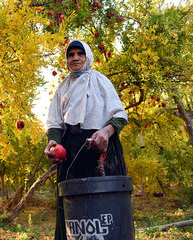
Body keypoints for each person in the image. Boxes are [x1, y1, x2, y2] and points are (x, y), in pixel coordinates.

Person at [44, 40, 128, 240]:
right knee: (72, 209)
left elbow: (119, 115)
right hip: (72, 153)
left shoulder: (100, 80)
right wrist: (53, 143)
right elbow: (54, 122)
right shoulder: (63, 87)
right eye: (70, 54)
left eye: (79, 53)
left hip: (101, 149)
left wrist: (106, 133)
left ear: (87, 56)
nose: (75, 58)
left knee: (104, 209)